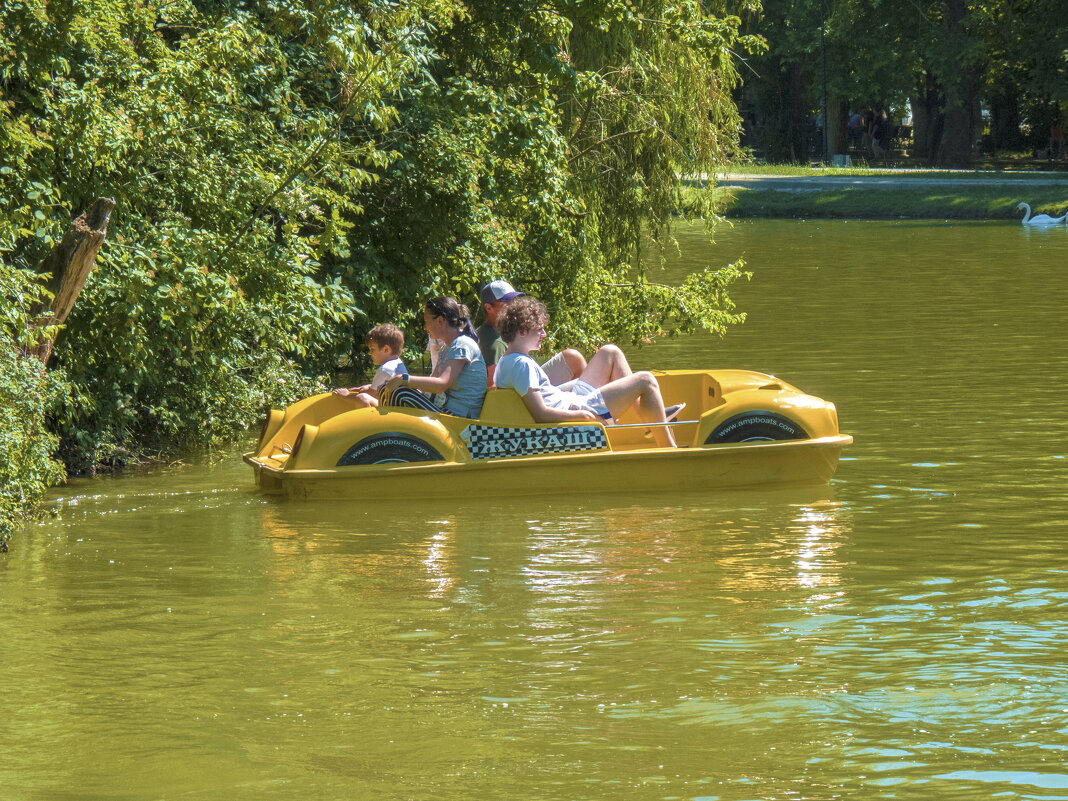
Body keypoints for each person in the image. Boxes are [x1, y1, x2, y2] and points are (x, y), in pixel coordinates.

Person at [494, 297, 679, 448]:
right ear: (522, 331)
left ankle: (649, 422)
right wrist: (582, 415)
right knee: (646, 380)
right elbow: (540, 414)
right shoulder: (521, 365)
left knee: (610, 352)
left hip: (571, 401)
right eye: (539, 329)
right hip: (579, 411)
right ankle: (669, 450)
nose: (544, 334)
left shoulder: (509, 359)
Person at [382, 296, 487, 418]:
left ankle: (397, 434)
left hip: (461, 419)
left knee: (401, 393)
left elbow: (441, 384)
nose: (425, 327)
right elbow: (431, 389)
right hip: (445, 410)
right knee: (387, 387)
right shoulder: (446, 348)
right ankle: (392, 431)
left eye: (427, 321)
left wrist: (405, 379)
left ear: (440, 321)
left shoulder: (462, 345)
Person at [476, 280, 586, 387]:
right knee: (574, 359)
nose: (513, 305)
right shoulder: (494, 342)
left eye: (515, 300)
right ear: (488, 308)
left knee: (572, 358)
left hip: (526, 383)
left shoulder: (495, 330)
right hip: (525, 394)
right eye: (507, 303)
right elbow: (493, 386)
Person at [332, 324, 408, 408]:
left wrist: (345, 396)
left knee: (362, 398)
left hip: (392, 412)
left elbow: (372, 394)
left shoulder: (385, 369)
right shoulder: (398, 363)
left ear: (386, 349)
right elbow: (380, 388)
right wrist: (361, 388)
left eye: (372, 349)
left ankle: (369, 421)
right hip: (398, 408)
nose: (370, 353)